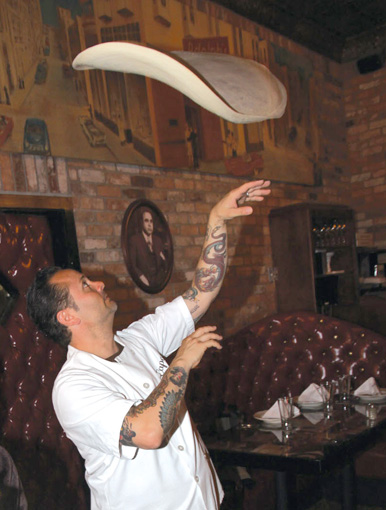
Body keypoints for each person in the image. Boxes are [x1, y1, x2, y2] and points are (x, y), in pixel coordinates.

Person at [26, 180, 271, 510]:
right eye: (86, 285)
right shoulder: (73, 387)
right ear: (68, 316)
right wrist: (181, 362)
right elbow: (149, 432)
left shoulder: (137, 338)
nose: (98, 283)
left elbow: (202, 292)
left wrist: (217, 220)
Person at [128, 207, 168, 288]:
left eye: (151, 221)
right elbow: (132, 265)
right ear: (141, 223)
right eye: (146, 221)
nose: (149, 224)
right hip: (144, 282)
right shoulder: (135, 241)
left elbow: (163, 264)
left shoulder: (158, 241)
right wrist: (141, 277)